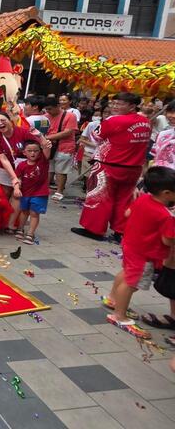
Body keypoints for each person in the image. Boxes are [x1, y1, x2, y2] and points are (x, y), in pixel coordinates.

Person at [103, 166, 175, 339]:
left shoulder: (144, 199)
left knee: (127, 272)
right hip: (145, 253)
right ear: (166, 193)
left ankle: (113, 298)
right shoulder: (166, 216)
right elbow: (167, 241)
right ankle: (119, 315)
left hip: (131, 245)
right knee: (132, 283)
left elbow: (128, 213)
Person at [73, 92, 151, 242]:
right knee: (124, 200)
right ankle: (120, 231)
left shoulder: (114, 120)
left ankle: (94, 230)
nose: (115, 106)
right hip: (133, 168)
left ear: (132, 106)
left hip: (108, 166)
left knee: (99, 198)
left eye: (119, 104)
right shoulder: (145, 121)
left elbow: (95, 137)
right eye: (113, 103)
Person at [0, 111, 45, 233]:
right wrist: (14, 177)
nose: (0, 123)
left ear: (10, 120)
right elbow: (3, 159)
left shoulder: (23, 132)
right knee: (4, 194)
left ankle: (10, 224)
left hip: (24, 168)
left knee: (18, 195)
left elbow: (38, 147)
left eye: (3, 120)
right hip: (5, 169)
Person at [13, 139, 52, 245]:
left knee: (34, 213)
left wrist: (40, 136)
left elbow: (47, 147)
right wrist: (16, 188)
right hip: (25, 192)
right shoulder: (21, 165)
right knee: (24, 211)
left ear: (40, 151)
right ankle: (20, 229)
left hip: (40, 193)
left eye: (36, 150)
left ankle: (30, 233)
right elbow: (17, 178)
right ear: (24, 152)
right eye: (29, 151)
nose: (33, 153)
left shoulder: (43, 161)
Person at [44, 96, 78, 201]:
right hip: (49, 146)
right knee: (49, 169)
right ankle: (45, 188)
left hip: (65, 147)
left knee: (61, 171)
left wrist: (46, 138)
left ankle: (59, 191)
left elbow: (68, 132)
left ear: (58, 106)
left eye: (50, 109)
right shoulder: (46, 116)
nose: (48, 111)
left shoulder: (70, 116)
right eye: (47, 109)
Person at [151, 101, 175, 170]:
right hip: (159, 176)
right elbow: (155, 157)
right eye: (171, 112)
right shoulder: (162, 134)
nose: (173, 116)